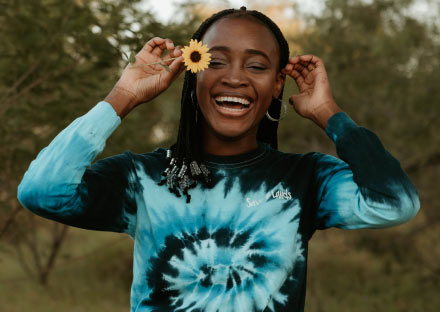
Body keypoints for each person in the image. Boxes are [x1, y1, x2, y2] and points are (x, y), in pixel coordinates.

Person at [17, 7, 420, 312]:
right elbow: (42, 191)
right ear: (192, 74)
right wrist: (122, 98)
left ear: (278, 82)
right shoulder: (145, 177)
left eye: (258, 66)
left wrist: (330, 114)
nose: (235, 78)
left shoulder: (306, 178)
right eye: (216, 61)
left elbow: (395, 203)